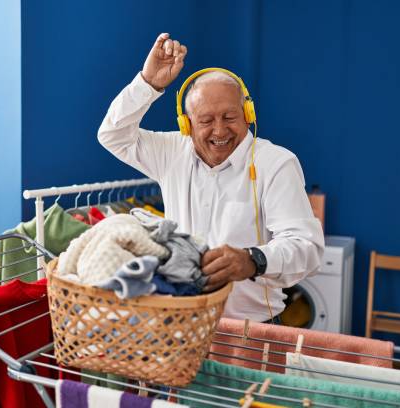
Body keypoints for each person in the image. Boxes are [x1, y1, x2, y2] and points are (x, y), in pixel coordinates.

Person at [98, 33, 324, 322]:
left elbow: (307, 247)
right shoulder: (172, 152)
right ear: (187, 124)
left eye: (230, 117)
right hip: (182, 323)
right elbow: (113, 135)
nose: (219, 131)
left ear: (247, 114)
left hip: (252, 329)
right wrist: (148, 84)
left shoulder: (276, 163)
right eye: (205, 121)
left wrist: (253, 260)